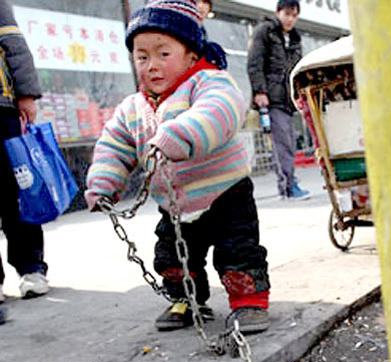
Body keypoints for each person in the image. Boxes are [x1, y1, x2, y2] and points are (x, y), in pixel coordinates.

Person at [85, 0, 270, 333]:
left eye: (163, 54)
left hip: (225, 193)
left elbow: (220, 110)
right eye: (142, 57)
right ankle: (186, 299)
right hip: (174, 203)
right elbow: (114, 145)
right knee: (172, 257)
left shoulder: (209, 82)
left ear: (190, 55)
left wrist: (181, 133)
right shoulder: (132, 107)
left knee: (238, 251)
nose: (152, 65)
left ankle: (249, 302)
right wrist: (103, 183)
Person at [0, 0, 50, 303]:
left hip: (1, 108)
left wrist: (27, 94)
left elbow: (14, 45)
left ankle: (31, 268)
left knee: (17, 192)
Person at [247, 0, 310, 200]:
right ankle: (289, 186)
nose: (290, 19)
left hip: (288, 99)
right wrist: (259, 91)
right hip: (271, 98)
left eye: (294, 15)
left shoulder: (295, 38)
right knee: (283, 144)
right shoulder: (265, 31)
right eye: (287, 14)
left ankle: (288, 185)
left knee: (288, 142)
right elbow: (254, 63)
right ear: (278, 12)